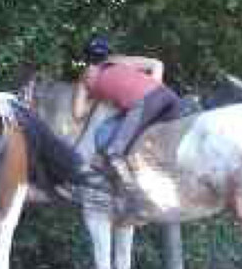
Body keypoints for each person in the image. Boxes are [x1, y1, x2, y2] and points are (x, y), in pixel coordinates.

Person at [72, 34, 181, 183]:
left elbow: (78, 114)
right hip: (169, 98)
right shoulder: (120, 61)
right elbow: (157, 64)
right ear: (108, 53)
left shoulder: (85, 78)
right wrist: (154, 87)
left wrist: (95, 96)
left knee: (113, 153)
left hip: (144, 104)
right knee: (115, 133)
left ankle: (129, 189)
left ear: (86, 56)